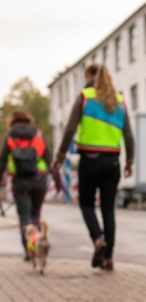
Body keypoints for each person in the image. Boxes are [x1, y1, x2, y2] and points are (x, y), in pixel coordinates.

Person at [52, 63, 134, 271]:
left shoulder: (85, 97)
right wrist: (129, 162)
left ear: (89, 75)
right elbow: (128, 135)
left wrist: (60, 155)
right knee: (108, 209)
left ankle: (98, 239)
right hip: (113, 162)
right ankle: (108, 258)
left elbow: (70, 128)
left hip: (89, 160)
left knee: (86, 204)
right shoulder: (120, 100)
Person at [0, 111, 53, 260]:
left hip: (20, 181)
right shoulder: (38, 133)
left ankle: (28, 249)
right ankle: (37, 245)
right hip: (39, 179)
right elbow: (48, 156)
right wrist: (57, 178)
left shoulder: (10, 134)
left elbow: (2, 159)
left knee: (24, 215)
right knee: (35, 214)